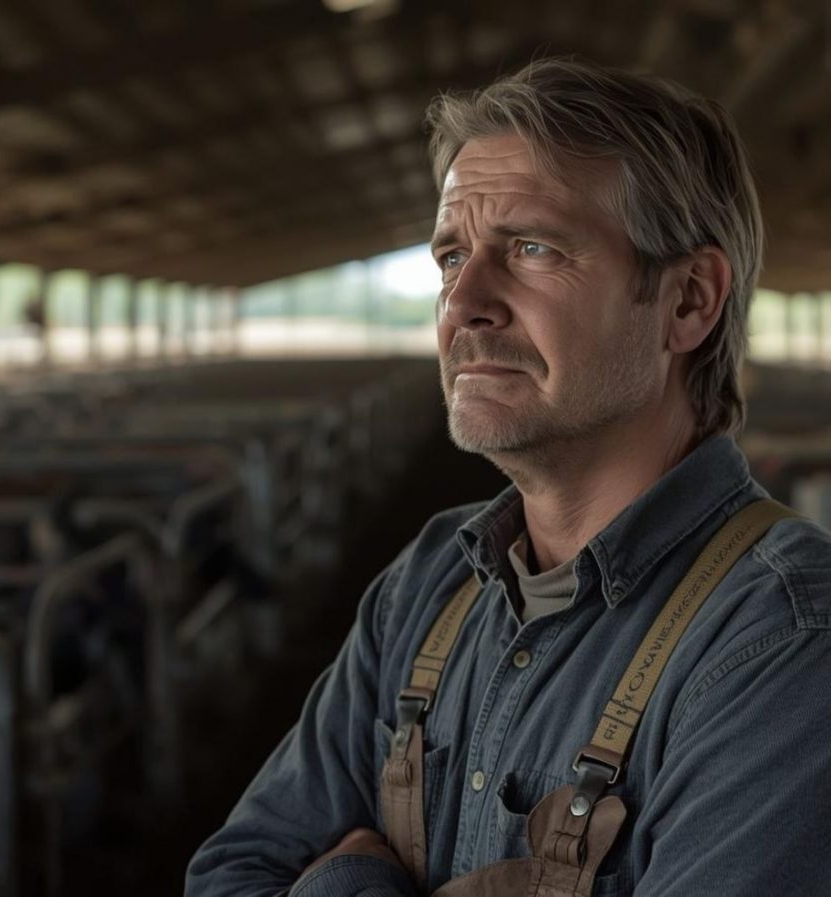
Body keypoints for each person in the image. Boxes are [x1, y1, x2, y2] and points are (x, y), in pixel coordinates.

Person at [184, 57, 831, 897]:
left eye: (532, 249)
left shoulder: (780, 644)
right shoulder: (429, 581)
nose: (464, 303)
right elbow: (230, 874)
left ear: (687, 303)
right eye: (451, 257)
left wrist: (350, 881)